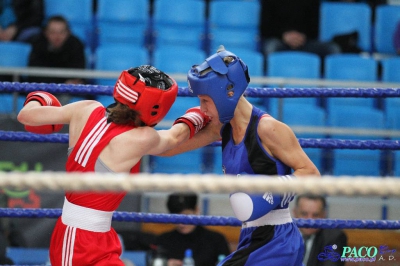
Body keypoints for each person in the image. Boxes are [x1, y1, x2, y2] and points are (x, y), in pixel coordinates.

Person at [17, 65, 210, 265]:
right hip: (76, 242)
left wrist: (38, 98)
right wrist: (205, 111)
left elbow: (26, 116)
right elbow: (175, 137)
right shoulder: (140, 137)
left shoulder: (86, 108)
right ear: (156, 106)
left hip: (95, 236)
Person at [159, 46, 321, 265]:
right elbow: (167, 149)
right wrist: (189, 122)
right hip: (252, 238)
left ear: (227, 93)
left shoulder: (268, 129)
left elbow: (312, 174)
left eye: (206, 101)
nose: (202, 108)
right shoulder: (221, 129)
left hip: (278, 241)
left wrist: (273, 191)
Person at [155, 193, 230, 266]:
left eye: (186, 216)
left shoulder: (216, 240)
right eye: (176, 218)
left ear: (196, 211)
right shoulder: (163, 241)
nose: (181, 223)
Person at [259, 0, 340, 61]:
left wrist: (302, 37)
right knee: (270, 48)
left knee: (332, 49)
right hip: (279, 40)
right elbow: (265, 28)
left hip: (305, 42)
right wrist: (284, 36)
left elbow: (314, 29)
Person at [28, 15, 86, 84]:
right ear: (46, 32)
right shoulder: (38, 44)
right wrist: (61, 83)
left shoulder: (76, 45)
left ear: (68, 32)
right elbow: (35, 74)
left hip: (69, 90)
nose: (57, 37)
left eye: (61, 32)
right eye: (53, 32)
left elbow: (78, 73)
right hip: (43, 88)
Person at [293, 194, 347, 266]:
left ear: (323, 215)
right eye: (304, 214)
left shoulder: (334, 237)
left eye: (315, 215)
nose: (310, 220)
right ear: (295, 213)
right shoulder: (283, 235)